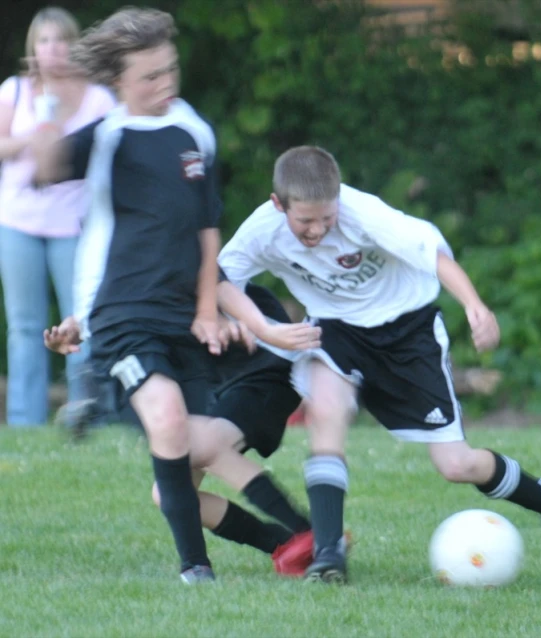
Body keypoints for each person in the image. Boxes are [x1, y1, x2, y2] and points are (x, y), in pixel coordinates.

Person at [218, 145, 541, 584]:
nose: (319, 229)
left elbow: (433, 256)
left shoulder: (364, 214)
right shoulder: (262, 229)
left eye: (327, 217)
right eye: (305, 221)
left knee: (457, 465)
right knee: (326, 409)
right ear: (277, 203)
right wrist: (261, 329)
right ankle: (329, 554)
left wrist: (475, 306)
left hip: (406, 334)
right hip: (336, 329)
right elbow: (223, 279)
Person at [32, 8, 321, 584]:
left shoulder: (194, 131)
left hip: (184, 322)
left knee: (185, 473)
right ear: (117, 82)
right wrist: (51, 108)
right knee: (168, 421)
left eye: (171, 71)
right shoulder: (107, 137)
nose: (165, 85)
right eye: (149, 77)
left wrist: (209, 309)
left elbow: (207, 231)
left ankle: (294, 540)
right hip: (124, 318)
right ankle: (199, 569)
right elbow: (44, 169)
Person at [45, 281, 324, 578]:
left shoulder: (183, 248)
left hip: (264, 371)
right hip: (217, 383)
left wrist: (229, 318)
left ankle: (310, 534)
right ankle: (283, 545)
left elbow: (211, 283)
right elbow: (122, 300)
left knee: (200, 445)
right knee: (169, 494)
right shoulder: (132, 264)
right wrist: (75, 325)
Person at [0, 7, 116, 426]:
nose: (53, 49)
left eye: (62, 40)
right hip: (18, 223)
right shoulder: (12, 92)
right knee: (25, 327)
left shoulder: (99, 98)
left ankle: (85, 412)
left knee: (80, 320)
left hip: (75, 226)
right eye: (45, 40)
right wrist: (33, 139)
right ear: (33, 47)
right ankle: (24, 421)